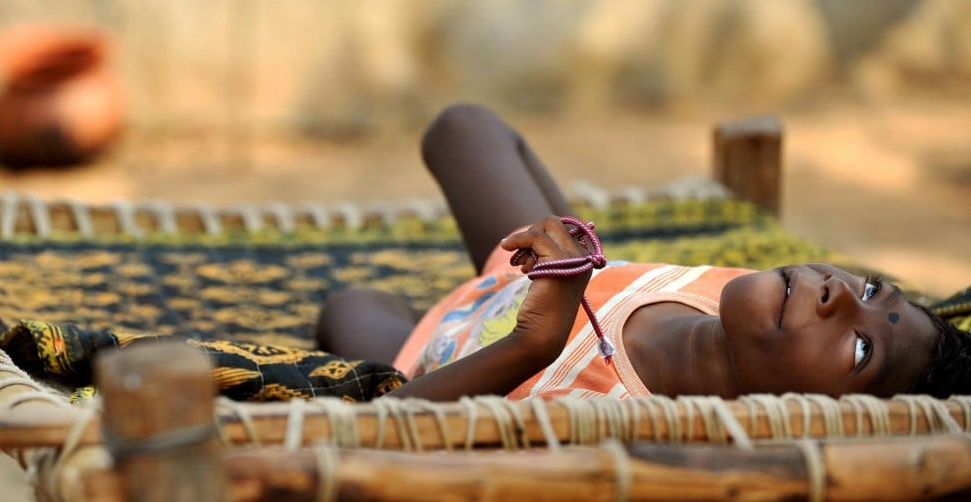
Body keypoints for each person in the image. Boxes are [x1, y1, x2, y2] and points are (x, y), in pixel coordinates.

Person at [317, 103, 970, 401]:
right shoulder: (758, 303)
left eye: (860, 350)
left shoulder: (612, 425)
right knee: (463, 129)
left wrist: (530, 349)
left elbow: (381, 432)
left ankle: (416, 324)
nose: (839, 297)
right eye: (871, 291)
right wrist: (576, 252)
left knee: (348, 311)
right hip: (541, 277)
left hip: (449, 359)